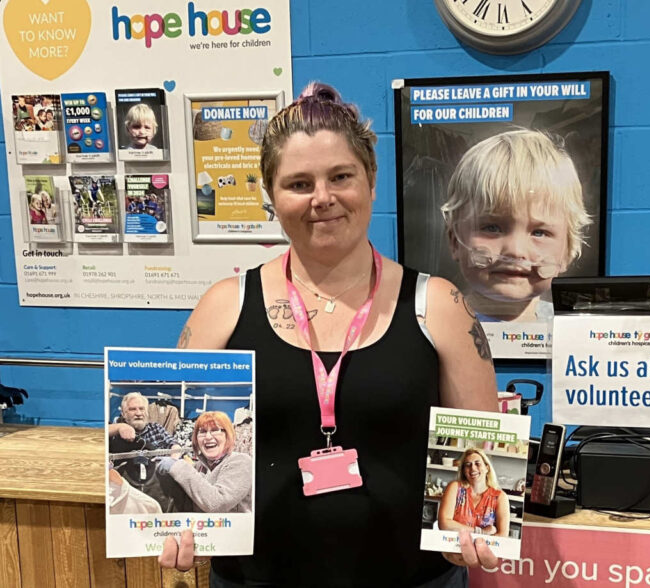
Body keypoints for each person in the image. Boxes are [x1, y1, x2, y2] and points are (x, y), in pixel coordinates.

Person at [159, 82, 499, 587]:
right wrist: (179, 524)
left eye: (341, 176)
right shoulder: (225, 306)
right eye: (299, 183)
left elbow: (482, 452)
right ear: (269, 195)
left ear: (371, 181)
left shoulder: (440, 306)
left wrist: (473, 534)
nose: (323, 199)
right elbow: (185, 437)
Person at [441, 128, 591, 322]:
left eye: (539, 232)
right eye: (492, 228)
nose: (515, 251)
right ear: (454, 241)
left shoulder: (575, 332)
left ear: (568, 249)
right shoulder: (435, 329)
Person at [154, 411, 251, 513]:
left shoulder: (241, 462)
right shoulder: (197, 467)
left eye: (215, 430)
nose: (208, 437)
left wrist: (177, 466)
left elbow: (218, 504)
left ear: (228, 436)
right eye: (203, 432)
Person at [437, 448, 510, 537]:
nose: (473, 468)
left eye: (477, 464)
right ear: (464, 470)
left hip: (484, 550)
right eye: (468, 465)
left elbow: (503, 535)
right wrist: (481, 532)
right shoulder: (455, 488)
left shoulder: (500, 497)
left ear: (487, 468)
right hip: (454, 548)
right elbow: (444, 524)